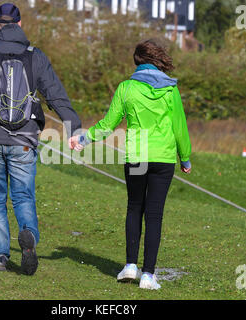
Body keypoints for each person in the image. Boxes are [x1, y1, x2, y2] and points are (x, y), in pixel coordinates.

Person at [0, 3, 81, 275]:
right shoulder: (36, 57)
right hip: (25, 139)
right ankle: (29, 239)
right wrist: (73, 128)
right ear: (20, 24)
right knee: (23, 195)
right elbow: (56, 95)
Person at [69, 39, 192, 290]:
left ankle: (130, 266)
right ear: (157, 61)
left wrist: (83, 138)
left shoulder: (126, 88)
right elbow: (179, 126)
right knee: (154, 215)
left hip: (136, 156)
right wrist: (185, 157)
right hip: (164, 157)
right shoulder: (171, 90)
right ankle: (148, 275)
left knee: (134, 207)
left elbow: (107, 125)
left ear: (137, 63)